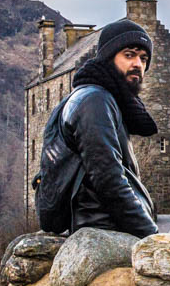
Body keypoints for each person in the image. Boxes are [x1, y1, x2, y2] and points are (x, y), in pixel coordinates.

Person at [59, 18, 158, 238]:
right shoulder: (94, 100)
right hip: (102, 229)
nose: (138, 65)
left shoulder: (109, 100)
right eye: (129, 55)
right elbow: (108, 179)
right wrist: (151, 236)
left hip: (108, 226)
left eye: (143, 58)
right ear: (108, 57)